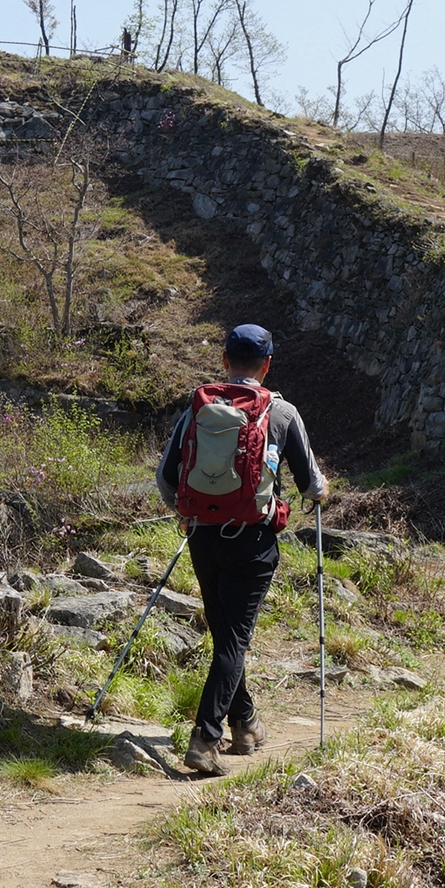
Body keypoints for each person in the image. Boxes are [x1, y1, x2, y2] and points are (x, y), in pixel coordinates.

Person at [154, 324, 326, 773]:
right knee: (233, 641)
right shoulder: (281, 412)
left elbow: (166, 477)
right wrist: (320, 492)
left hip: (202, 537)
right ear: (267, 364)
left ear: (225, 360)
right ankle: (205, 738)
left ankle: (245, 723)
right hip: (252, 542)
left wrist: (188, 512)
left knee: (226, 636)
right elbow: (311, 484)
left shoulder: (198, 409)